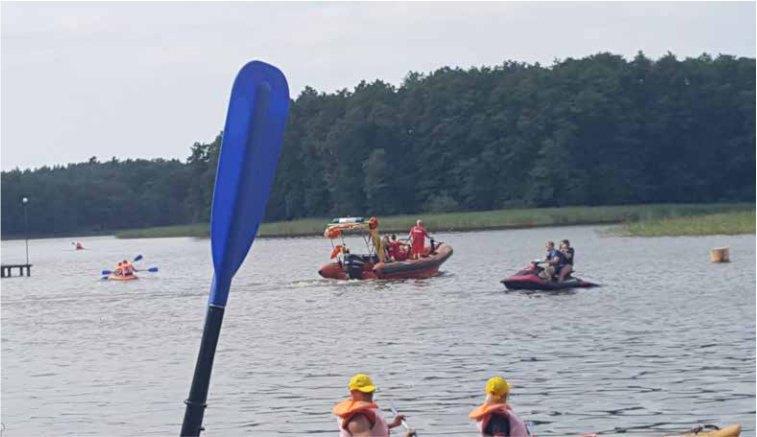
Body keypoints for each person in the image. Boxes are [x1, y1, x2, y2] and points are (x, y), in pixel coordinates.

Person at [332, 373, 415, 436]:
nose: (369, 395)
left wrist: (393, 424)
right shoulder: (357, 419)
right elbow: (362, 428)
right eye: (364, 392)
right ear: (353, 392)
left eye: (370, 391)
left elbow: (370, 428)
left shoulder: (363, 415)